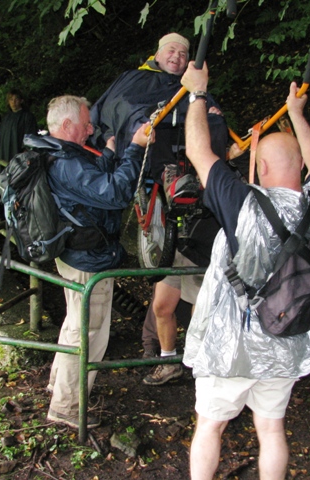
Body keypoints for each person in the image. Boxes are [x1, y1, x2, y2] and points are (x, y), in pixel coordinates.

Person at [180, 62, 310, 479]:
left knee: (211, 426)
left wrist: (197, 94)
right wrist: (296, 113)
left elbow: (198, 152)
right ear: (302, 171)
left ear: (264, 169)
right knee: (271, 428)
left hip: (231, 348)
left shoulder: (244, 204)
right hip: (288, 335)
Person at [89, 33, 229, 386]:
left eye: (184, 54)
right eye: (172, 50)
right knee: (163, 306)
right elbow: (119, 110)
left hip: (196, 224)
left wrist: (207, 111)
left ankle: (199, 364)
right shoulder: (135, 80)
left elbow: (212, 125)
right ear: (157, 52)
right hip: (160, 211)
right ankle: (168, 360)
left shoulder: (194, 90)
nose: (178, 57)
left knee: (198, 300)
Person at [24, 95, 153, 429]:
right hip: (88, 259)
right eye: (86, 122)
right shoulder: (67, 163)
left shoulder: (56, 152)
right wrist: (136, 148)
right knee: (90, 333)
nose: (91, 128)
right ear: (67, 126)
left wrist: (110, 154)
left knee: (75, 323)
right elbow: (114, 194)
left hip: (74, 255)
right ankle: (66, 407)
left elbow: (90, 187)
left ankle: (58, 384)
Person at [0, 89, 38, 166]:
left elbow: (31, 136)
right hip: (4, 156)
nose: (13, 102)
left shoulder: (27, 117)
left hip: (19, 156)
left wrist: (26, 154)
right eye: (11, 99)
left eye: (16, 99)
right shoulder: (6, 118)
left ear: (21, 101)